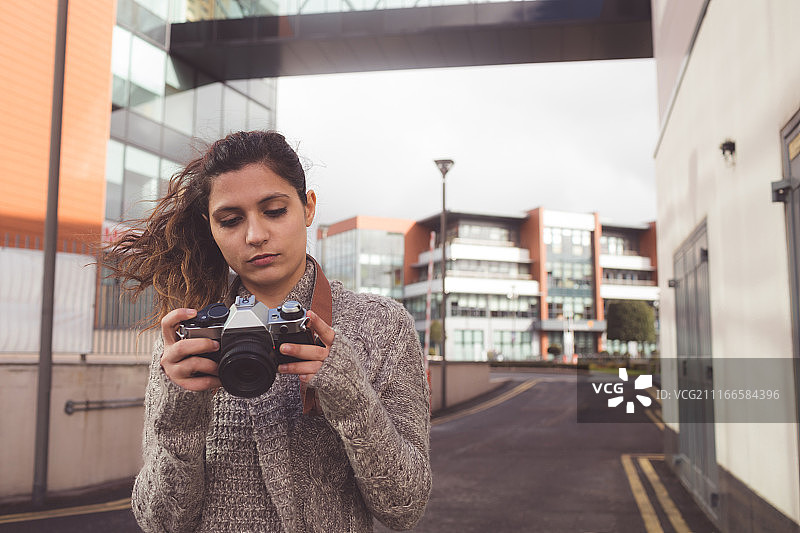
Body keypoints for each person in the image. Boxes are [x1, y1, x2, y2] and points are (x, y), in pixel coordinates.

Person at [105, 130, 431, 532]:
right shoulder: (190, 340)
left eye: (274, 210)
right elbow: (161, 522)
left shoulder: (381, 326)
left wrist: (351, 398)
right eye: (230, 219)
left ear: (308, 207)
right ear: (210, 225)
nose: (255, 235)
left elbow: (405, 507)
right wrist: (182, 416)